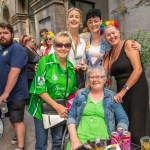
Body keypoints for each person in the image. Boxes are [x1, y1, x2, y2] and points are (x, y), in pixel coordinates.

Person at [28, 31, 78, 150]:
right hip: (41, 109)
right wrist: (57, 106)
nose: (63, 48)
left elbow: (73, 91)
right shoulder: (45, 61)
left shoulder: (71, 67)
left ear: (70, 47)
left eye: (67, 45)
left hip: (60, 111)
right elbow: (40, 89)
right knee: (41, 145)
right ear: (54, 46)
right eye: (59, 45)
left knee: (58, 142)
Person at [103, 21, 150, 145]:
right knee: (125, 125)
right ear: (105, 38)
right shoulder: (109, 54)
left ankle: (141, 146)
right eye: (108, 35)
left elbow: (138, 69)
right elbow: (102, 74)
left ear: (119, 32)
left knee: (137, 126)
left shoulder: (128, 44)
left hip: (136, 88)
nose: (112, 36)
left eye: (113, 33)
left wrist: (123, 91)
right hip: (122, 92)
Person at [66, 66, 129, 150]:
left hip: (103, 142)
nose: (95, 80)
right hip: (79, 139)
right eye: (91, 77)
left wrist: (118, 136)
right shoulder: (81, 94)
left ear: (104, 79)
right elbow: (71, 116)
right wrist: (74, 139)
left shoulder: (111, 96)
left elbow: (123, 118)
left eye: (98, 77)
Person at [80, 8, 141, 87]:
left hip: (104, 79)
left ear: (101, 22)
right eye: (90, 22)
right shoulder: (84, 38)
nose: (93, 24)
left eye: (96, 21)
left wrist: (139, 47)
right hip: (89, 78)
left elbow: (120, 46)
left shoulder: (108, 37)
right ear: (87, 24)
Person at [0, 22, 29, 150]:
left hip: (16, 93)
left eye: (5, 33)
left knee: (17, 120)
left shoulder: (16, 49)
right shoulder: (2, 50)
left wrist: (6, 93)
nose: (2, 36)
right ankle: (18, 136)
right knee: (11, 118)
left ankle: (20, 147)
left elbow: (15, 72)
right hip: (4, 95)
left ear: (12, 34)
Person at [67, 7, 87, 89]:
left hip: (80, 77)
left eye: (77, 17)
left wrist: (85, 66)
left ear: (81, 21)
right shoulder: (61, 37)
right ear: (67, 20)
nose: (74, 19)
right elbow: (51, 58)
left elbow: (85, 60)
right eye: (71, 16)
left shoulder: (83, 41)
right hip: (65, 77)